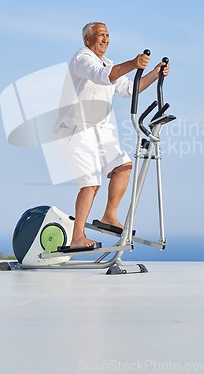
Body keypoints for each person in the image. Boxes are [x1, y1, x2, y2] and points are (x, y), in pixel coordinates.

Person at [57, 21, 169, 250]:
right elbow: (101, 76)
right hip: (77, 130)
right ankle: (77, 237)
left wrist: (155, 74)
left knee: (124, 167)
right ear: (87, 40)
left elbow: (130, 89)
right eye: (100, 35)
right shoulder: (82, 59)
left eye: (107, 35)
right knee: (90, 184)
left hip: (101, 131)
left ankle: (109, 216)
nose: (105, 38)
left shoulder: (108, 63)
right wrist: (133, 63)